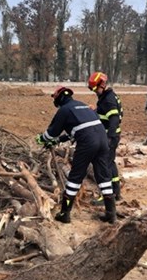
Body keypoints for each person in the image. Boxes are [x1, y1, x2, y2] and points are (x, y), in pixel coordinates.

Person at [36, 86, 116, 224]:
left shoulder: (64, 110)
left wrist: (41, 139)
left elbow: (51, 133)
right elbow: (76, 129)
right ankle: (111, 213)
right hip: (102, 140)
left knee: (75, 177)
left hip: (87, 143)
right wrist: (58, 140)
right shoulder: (82, 106)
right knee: (103, 176)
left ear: (59, 97)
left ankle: (64, 214)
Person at [87, 71, 124, 203]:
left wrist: (108, 138)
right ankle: (116, 192)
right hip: (113, 136)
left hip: (110, 137)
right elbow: (107, 113)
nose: (94, 91)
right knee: (110, 163)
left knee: (104, 166)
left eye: (95, 88)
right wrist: (95, 110)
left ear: (101, 85)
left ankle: (107, 197)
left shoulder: (108, 99)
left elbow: (114, 119)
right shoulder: (108, 97)